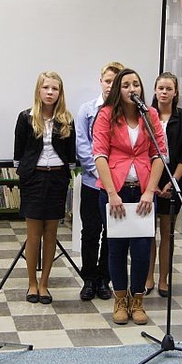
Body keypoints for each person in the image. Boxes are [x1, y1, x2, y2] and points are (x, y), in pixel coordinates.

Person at [93, 68, 166, 325]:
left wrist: (149, 191)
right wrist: (112, 193)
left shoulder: (151, 114)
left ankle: (138, 301)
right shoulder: (106, 115)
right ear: (117, 90)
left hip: (144, 192)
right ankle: (120, 300)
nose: (131, 89)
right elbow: (99, 154)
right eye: (126, 85)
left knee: (143, 249)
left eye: (136, 84)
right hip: (115, 192)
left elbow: (160, 153)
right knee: (116, 248)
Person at [13, 71, 76, 304]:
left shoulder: (66, 119)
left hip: (57, 178)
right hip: (33, 179)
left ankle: (44, 284)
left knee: (51, 234)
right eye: (46, 88)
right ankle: (31, 283)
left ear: (60, 92)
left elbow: (71, 155)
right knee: (33, 235)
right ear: (38, 90)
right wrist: (25, 175)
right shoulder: (25, 117)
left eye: (55, 89)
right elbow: (18, 153)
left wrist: (65, 174)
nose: (50, 92)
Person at [75, 61, 123, 301]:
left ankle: (105, 280)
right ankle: (89, 279)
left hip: (116, 185)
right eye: (107, 81)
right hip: (92, 183)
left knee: (111, 233)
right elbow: (83, 146)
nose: (110, 86)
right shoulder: (86, 110)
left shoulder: (125, 112)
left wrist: (113, 176)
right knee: (90, 232)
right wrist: (100, 172)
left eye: (116, 82)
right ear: (100, 81)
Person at [144, 72, 182, 297]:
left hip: (172, 180)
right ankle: (148, 277)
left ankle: (164, 278)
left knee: (166, 232)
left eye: (168, 89)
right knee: (147, 232)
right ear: (155, 90)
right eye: (160, 88)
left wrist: (173, 181)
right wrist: (150, 183)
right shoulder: (145, 114)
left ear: (175, 93)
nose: (164, 92)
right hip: (149, 181)